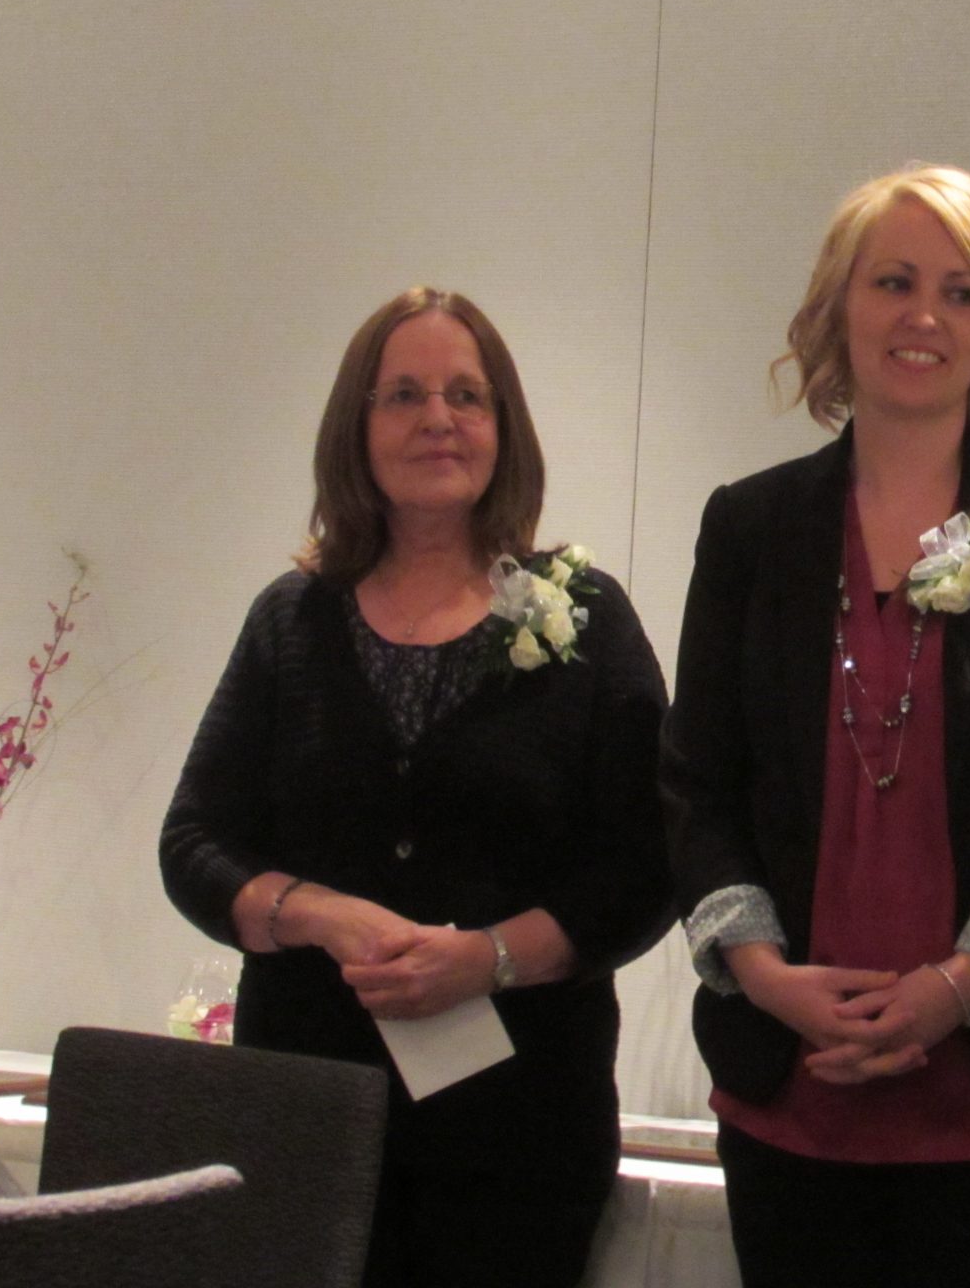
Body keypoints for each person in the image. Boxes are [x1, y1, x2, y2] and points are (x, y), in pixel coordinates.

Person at [661, 166, 970, 1288]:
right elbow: (696, 779)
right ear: (840, 304)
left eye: (962, 291)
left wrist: (955, 987)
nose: (924, 316)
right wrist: (765, 974)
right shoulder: (753, 524)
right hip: (795, 1078)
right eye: (892, 281)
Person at [161, 287, 670, 1288]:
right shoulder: (291, 621)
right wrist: (317, 915)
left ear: (502, 427)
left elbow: (648, 864)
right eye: (401, 395)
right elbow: (194, 845)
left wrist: (490, 959)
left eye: (465, 396)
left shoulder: (588, 619)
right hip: (307, 1120)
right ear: (356, 430)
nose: (437, 419)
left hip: (521, 1133)